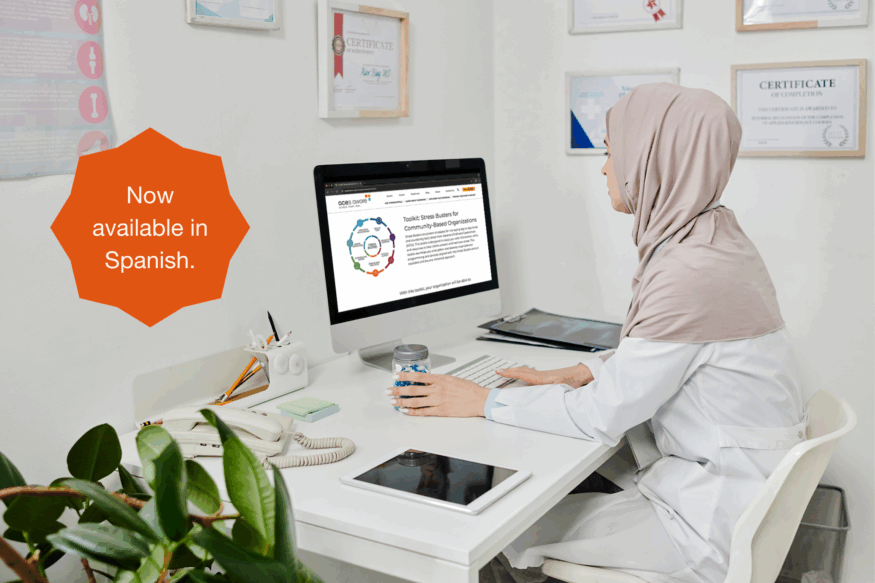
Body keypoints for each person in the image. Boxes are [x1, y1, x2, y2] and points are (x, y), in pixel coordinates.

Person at [386, 83, 807, 583]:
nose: (606, 168)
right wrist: (586, 368)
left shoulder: (690, 272)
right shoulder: (716, 240)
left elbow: (601, 416)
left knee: (493, 526)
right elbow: (680, 355)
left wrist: (482, 401)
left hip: (706, 522)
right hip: (733, 490)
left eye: (612, 153)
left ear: (654, 160)